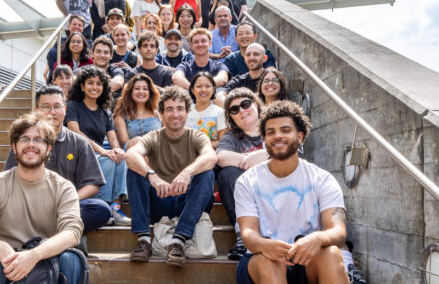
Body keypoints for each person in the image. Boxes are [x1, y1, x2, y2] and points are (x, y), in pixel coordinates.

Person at [235, 100, 349, 284]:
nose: (277, 136)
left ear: (300, 136)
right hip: (261, 261)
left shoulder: (322, 179)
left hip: (306, 260)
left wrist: (319, 237)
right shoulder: (247, 181)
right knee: (269, 262)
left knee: (331, 254)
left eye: (285, 130)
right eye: (270, 132)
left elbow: (339, 232)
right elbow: (248, 232)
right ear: (264, 139)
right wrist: (265, 245)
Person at [0, 114, 84, 284]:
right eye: (24, 139)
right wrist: (0, 247)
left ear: (49, 148)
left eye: (38, 140)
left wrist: (34, 255)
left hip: (47, 259)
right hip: (7, 260)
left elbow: (72, 233)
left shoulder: (63, 187)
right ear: (14, 147)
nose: (31, 144)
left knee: (71, 259)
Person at [125, 86, 217, 266]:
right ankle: (144, 240)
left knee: (207, 171)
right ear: (160, 114)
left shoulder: (197, 136)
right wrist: (152, 175)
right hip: (161, 200)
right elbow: (130, 155)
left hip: (188, 202)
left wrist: (187, 172)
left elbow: (211, 156)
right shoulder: (153, 136)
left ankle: (178, 242)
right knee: (134, 169)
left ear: (187, 112)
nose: (175, 114)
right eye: (169, 109)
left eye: (180, 109)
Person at [3, 86, 111, 237]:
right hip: (29, 205)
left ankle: (42, 236)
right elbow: (8, 179)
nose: (52, 112)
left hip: (65, 205)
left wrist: (64, 200)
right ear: (36, 110)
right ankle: (62, 237)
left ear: (65, 109)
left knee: (100, 209)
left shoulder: (79, 142)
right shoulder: (26, 142)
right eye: (46, 107)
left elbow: (92, 185)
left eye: (57, 107)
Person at [65, 66, 130, 225]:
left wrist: (116, 149)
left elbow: (112, 138)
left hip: (97, 154)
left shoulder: (105, 111)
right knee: (107, 160)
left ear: (104, 87)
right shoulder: (73, 106)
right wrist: (103, 151)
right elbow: (75, 132)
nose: (95, 87)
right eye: (90, 83)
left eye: (99, 84)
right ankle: (105, 207)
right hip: (77, 153)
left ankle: (115, 206)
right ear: (82, 86)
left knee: (122, 158)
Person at [216, 88, 268, 261]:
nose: (242, 111)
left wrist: (266, 155)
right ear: (231, 116)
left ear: (256, 104)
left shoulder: (273, 126)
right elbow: (222, 157)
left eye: (245, 104)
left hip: (277, 188)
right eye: (234, 109)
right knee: (227, 174)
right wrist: (254, 157)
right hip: (248, 191)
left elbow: (293, 150)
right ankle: (243, 236)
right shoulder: (231, 137)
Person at [113, 73, 162, 151]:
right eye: (137, 88)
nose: (141, 92)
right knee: (138, 141)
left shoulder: (158, 113)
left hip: (157, 152)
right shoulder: (121, 115)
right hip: (132, 153)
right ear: (130, 92)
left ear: (150, 92)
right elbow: (123, 142)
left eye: (145, 89)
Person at [187, 72, 228, 149]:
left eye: (208, 86)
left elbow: (222, 141)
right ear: (192, 90)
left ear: (213, 89)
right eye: (199, 86)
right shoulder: (185, 112)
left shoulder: (219, 112)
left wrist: (198, 146)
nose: (203, 90)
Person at [44, 14, 88, 81]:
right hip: (63, 66)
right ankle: (55, 79)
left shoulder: (88, 43)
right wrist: (45, 72)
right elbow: (52, 55)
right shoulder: (61, 40)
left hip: (79, 70)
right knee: (53, 52)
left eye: (79, 25)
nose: (77, 27)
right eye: (74, 24)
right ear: (69, 26)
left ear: (83, 29)